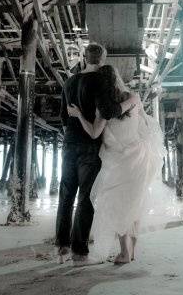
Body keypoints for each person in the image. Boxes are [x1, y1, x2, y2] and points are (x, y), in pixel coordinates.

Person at [67, 65, 165, 264]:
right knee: (135, 203)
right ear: (118, 79)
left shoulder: (102, 108)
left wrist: (79, 115)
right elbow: (146, 125)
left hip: (119, 162)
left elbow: (94, 133)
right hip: (140, 157)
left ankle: (124, 253)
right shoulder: (134, 98)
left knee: (119, 205)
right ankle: (133, 252)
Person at [55, 43, 137, 266]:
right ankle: (79, 254)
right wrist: (131, 102)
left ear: (83, 57)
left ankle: (62, 248)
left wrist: (72, 132)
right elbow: (109, 111)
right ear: (103, 59)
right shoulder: (100, 79)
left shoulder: (69, 82)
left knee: (66, 195)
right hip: (89, 147)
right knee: (85, 198)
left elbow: (63, 118)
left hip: (69, 143)